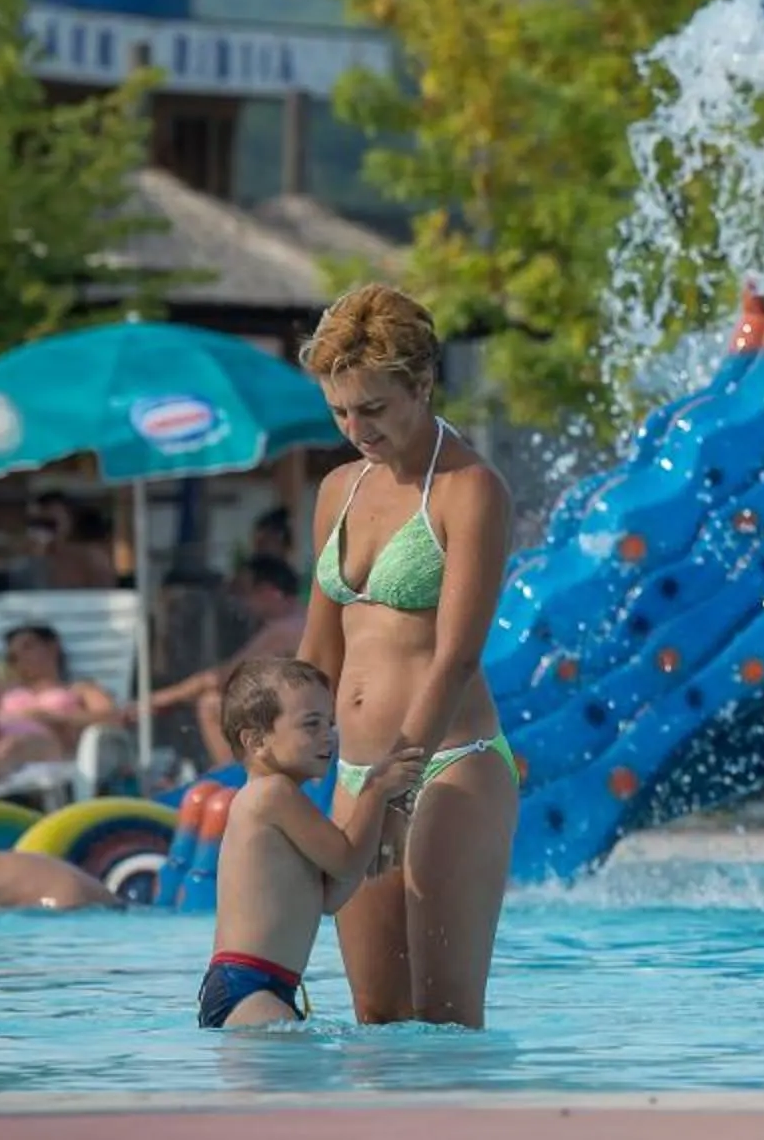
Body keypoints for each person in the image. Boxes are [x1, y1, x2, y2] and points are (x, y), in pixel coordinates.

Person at [298, 282, 515, 1029]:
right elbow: (319, 648)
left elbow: (455, 655)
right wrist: (273, 764)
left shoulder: (469, 490)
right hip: (357, 773)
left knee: (446, 1023)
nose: (355, 427)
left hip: (447, 763)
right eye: (340, 411)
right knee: (376, 1024)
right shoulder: (338, 490)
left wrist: (397, 782)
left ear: (421, 386)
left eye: (373, 408)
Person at [199, 657, 425, 1029]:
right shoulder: (273, 794)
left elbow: (329, 897)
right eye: (311, 725)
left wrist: (381, 825)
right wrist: (375, 790)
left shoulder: (275, 800)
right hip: (249, 989)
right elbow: (347, 859)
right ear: (256, 741)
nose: (329, 736)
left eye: (330, 723)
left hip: (257, 986)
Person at [149, 557, 309, 766]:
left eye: (244, 592)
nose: (238, 601)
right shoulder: (303, 618)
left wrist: (158, 700)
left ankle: (235, 781)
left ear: (270, 593)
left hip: (306, 717)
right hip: (314, 710)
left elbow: (223, 678)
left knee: (213, 705)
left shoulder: (282, 630)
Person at [0, 621, 121, 786]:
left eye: (27, 647)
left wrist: (49, 717)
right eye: (13, 656)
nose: (20, 657)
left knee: (15, 744)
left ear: (53, 647)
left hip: (45, 743)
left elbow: (113, 718)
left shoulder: (78, 688)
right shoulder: (6, 689)